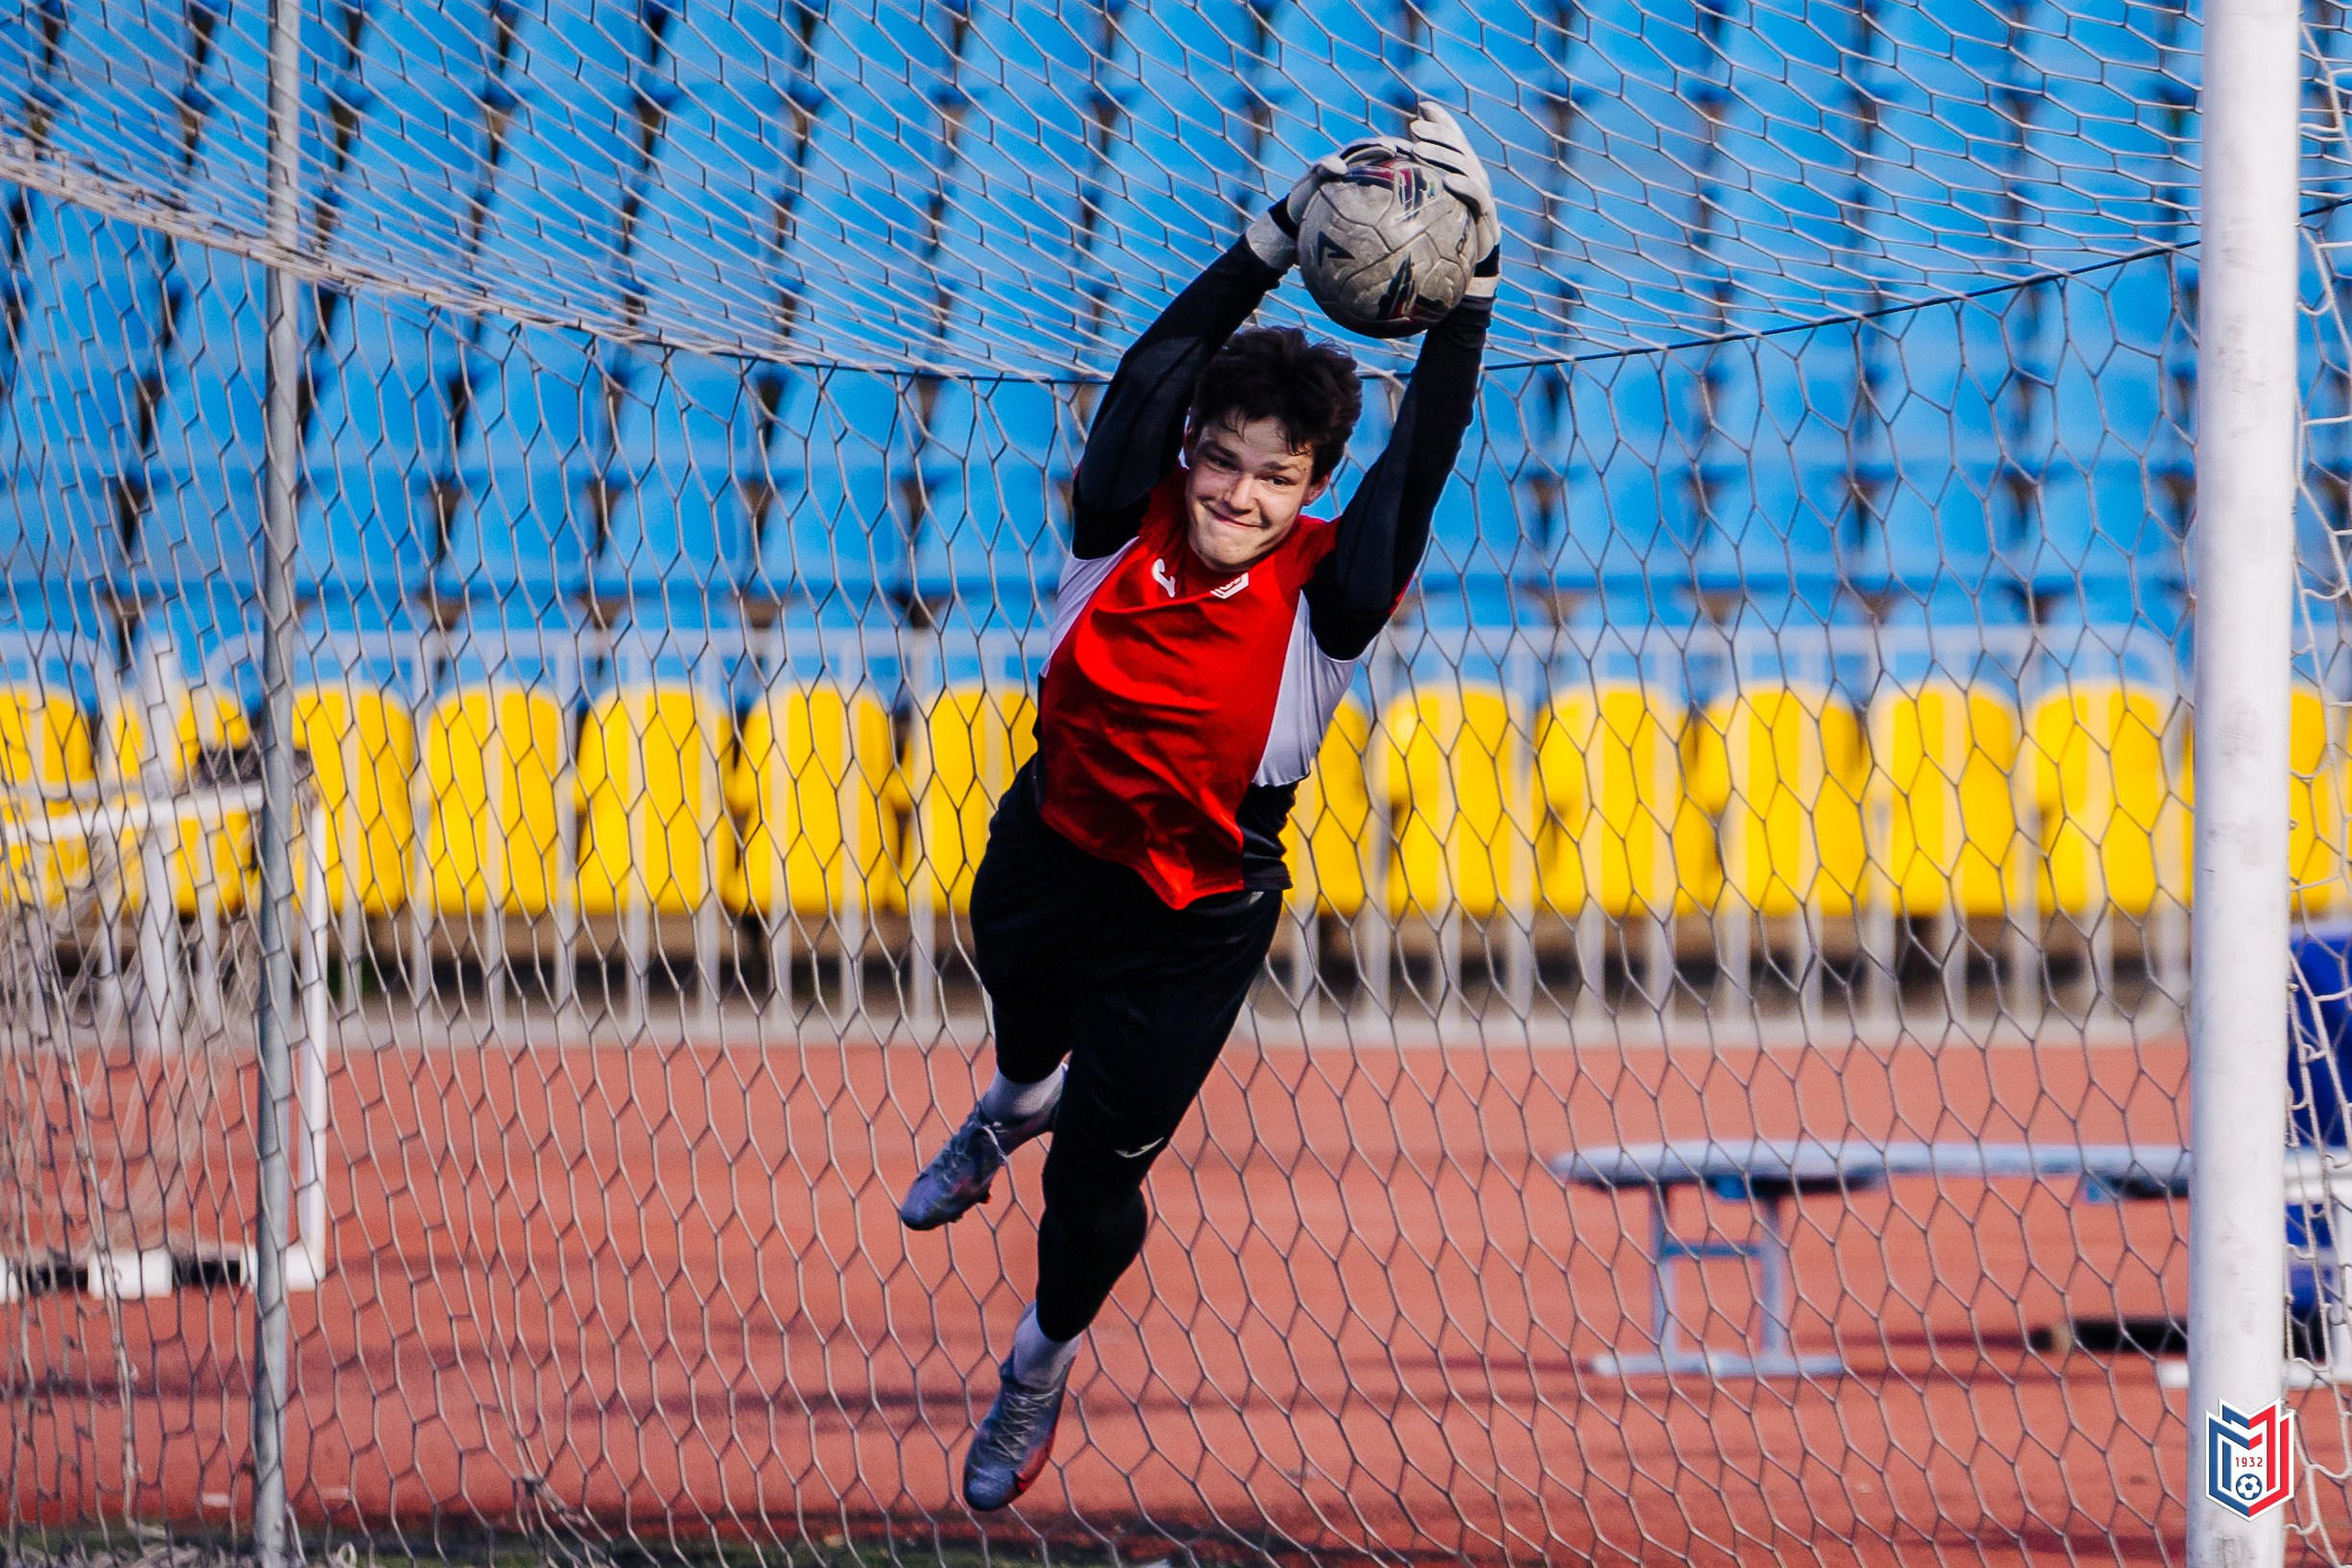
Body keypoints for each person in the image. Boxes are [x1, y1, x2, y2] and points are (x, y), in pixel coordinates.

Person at [897, 102, 1500, 1512]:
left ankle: (1038, 1360)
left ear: (1310, 492)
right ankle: (1012, 1092)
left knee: (1092, 1189)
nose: (1235, 490)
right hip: (1048, 840)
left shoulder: (1330, 598)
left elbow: (1428, 458)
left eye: (1271, 476)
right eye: (1219, 459)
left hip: (1195, 908)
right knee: (1020, 1000)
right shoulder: (1122, 516)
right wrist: (1267, 246)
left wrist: (1469, 297)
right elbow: (1147, 375)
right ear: (1190, 454)